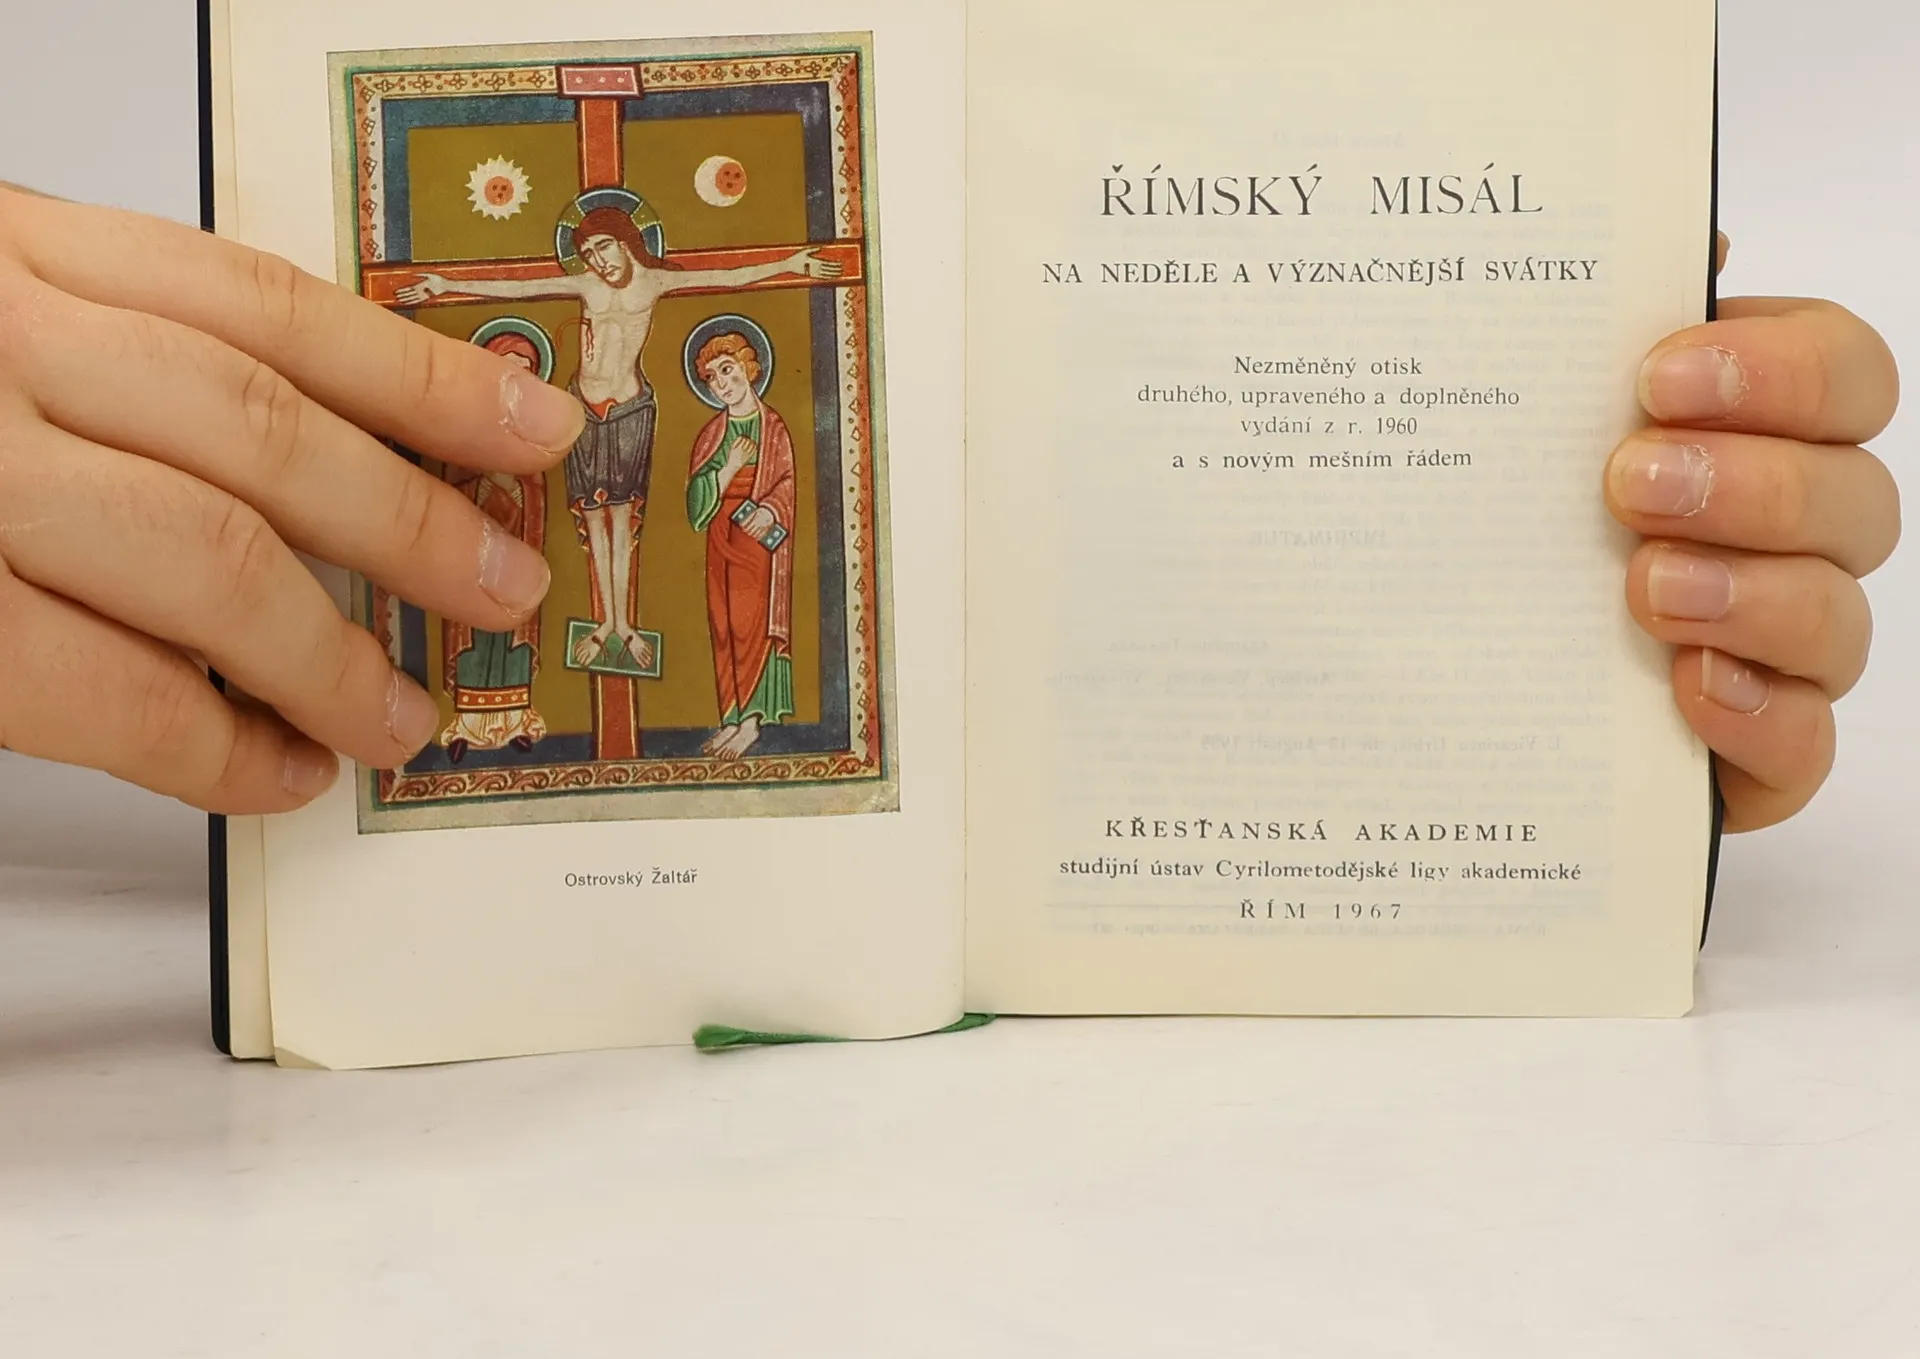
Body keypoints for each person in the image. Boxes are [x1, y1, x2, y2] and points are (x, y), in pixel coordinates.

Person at [0, 182, 1899, 831]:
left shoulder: (695, 360)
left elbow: (764, 314)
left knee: (689, 586)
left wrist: (1575, 739)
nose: (730, 369)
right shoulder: (619, 342)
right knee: (593, 566)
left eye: (737, 368)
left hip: (661, 493)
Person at [395, 209, 832, 673]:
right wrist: (445, 285)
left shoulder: (655, 283)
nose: (598, 260)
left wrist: (789, 264)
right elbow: (519, 286)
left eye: (603, 247)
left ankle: (623, 625)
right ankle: (604, 624)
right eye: (588, 253)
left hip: (629, 409)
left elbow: (727, 276)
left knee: (622, 521)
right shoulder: (588, 286)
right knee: (592, 519)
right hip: (584, 406)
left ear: (625, 242)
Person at [438, 327, 550, 762]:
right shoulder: (463, 433)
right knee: (473, 637)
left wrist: (517, 496)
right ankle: (467, 723)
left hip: (516, 555)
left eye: (526, 372)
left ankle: (516, 719)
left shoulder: (532, 441)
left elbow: (537, 505)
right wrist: (484, 492)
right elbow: (453, 490)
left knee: (510, 639)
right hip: (474, 560)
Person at [684, 330, 797, 760]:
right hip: (720, 538)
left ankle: (752, 721)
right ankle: (730, 718)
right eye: (712, 378)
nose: (721, 383)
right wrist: (729, 468)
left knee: (751, 623)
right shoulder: (712, 435)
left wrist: (770, 509)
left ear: (749, 367)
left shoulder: (774, 427)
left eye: (727, 370)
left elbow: (787, 482)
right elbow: (696, 504)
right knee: (723, 624)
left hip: (757, 543)